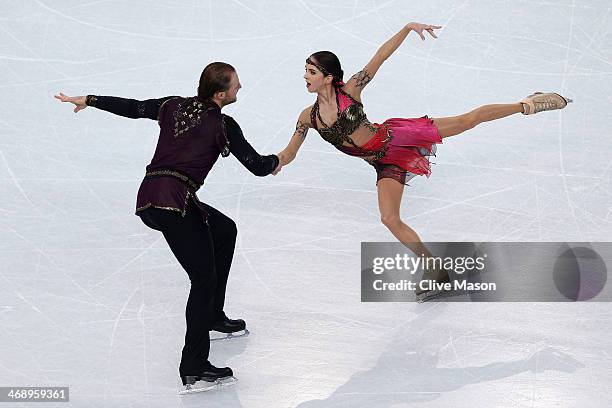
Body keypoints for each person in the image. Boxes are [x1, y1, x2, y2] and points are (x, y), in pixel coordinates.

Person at [274, 22, 572, 302]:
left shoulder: (350, 91)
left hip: (398, 138)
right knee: (389, 219)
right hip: (383, 162)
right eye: (305, 71)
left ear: (328, 77)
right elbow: (289, 154)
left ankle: (528, 104)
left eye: (310, 71)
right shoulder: (308, 118)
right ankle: (436, 270)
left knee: (467, 121)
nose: (305, 77)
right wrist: (269, 162)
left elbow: (380, 56)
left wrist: (406, 28)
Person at [55, 62, 280, 392]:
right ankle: (194, 367)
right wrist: (280, 159)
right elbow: (258, 167)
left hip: (151, 195)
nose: (239, 89)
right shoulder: (223, 125)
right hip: (175, 203)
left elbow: (134, 108)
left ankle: (213, 316)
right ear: (220, 93)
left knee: (224, 230)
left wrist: (90, 99)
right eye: (235, 86)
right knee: (203, 279)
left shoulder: (173, 105)